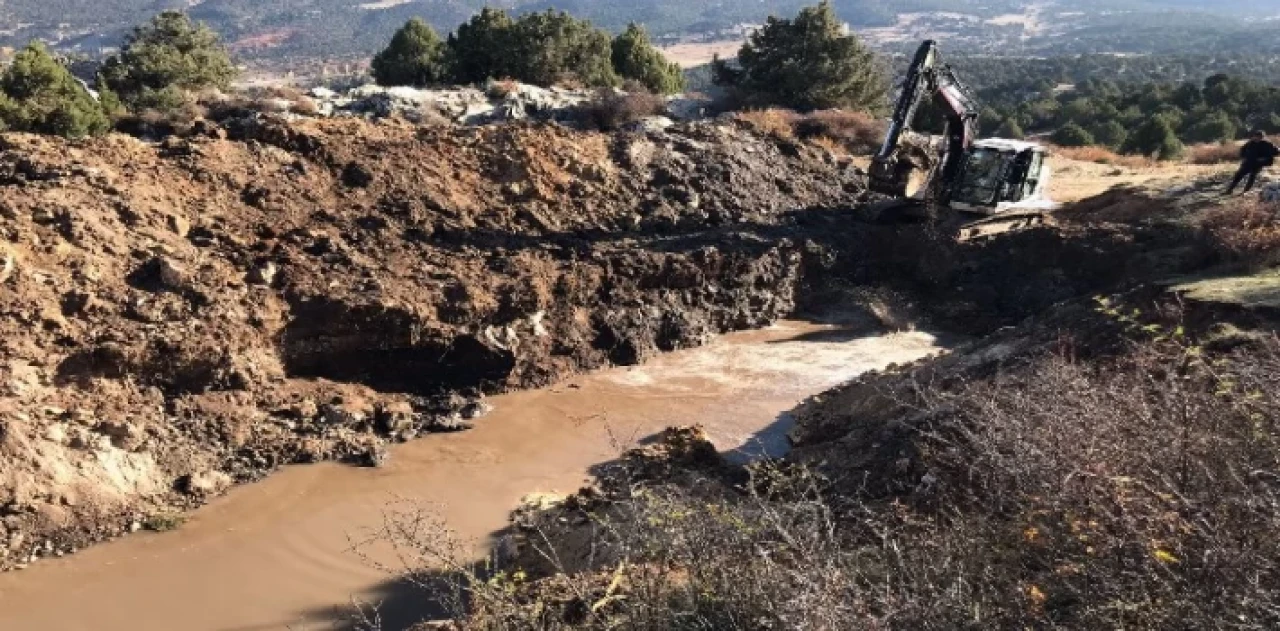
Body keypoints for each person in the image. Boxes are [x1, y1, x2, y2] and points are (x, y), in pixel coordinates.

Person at [1226, 130, 1280, 195]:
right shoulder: (1250, 143)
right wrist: (1244, 157)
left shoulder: (1267, 144)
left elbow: (1276, 152)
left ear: (1262, 137)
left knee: (1252, 177)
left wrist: (1265, 158)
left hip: (1258, 164)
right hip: (1248, 163)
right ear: (1254, 136)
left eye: (1260, 137)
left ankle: (1245, 191)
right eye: (1256, 137)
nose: (1257, 138)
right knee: (1238, 176)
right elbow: (1242, 150)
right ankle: (1229, 190)